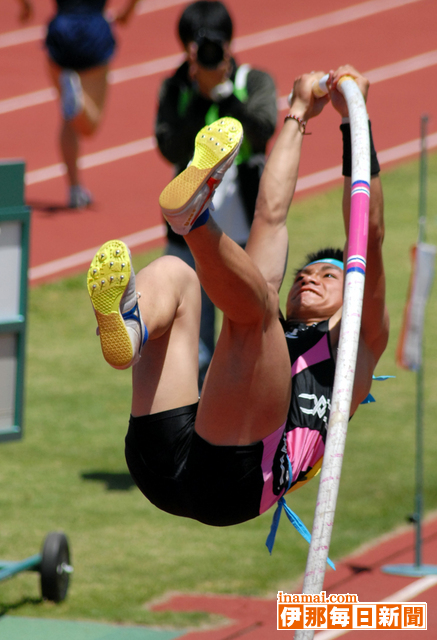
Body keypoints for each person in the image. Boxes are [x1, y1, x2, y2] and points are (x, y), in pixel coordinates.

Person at [87, 65, 388, 536]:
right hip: (161, 454)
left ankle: (193, 219)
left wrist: (356, 120)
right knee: (176, 274)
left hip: (236, 480)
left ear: (349, 295)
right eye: (305, 273)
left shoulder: (359, 342)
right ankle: (129, 329)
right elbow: (270, 213)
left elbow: (367, 233)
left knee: (257, 309)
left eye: (328, 276)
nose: (308, 278)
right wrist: (298, 114)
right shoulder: (271, 319)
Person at [155, 0, 277, 384]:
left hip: (247, 228)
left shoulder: (253, 79)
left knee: (252, 330)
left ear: (229, 43)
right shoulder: (176, 86)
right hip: (189, 233)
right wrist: (199, 97)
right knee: (192, 342)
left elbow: (262, 132)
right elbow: (169, 147)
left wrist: (224, 93)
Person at [18, 0, 140, 208]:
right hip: (94, 32)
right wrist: (128, 11)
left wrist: (26, 6)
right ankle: (79, 101)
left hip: (60, 33)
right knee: (89, 126)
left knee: (68, 116)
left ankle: (74, 189)